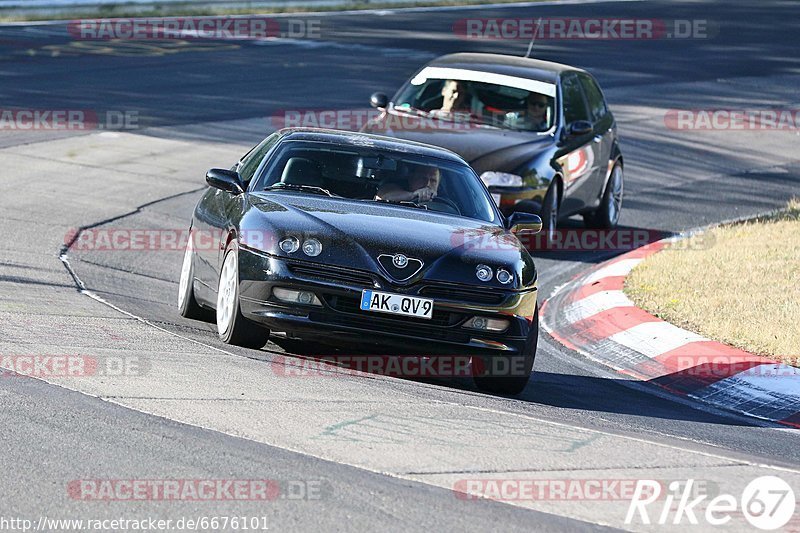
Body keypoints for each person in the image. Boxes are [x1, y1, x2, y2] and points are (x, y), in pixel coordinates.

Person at [376, 165, 440, 203]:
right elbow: (386, 197)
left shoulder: (446, 199)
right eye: (422, 178)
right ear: (411, 178)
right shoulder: (395, 185)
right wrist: (413, 195)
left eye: (433, 181)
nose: (427, 184)